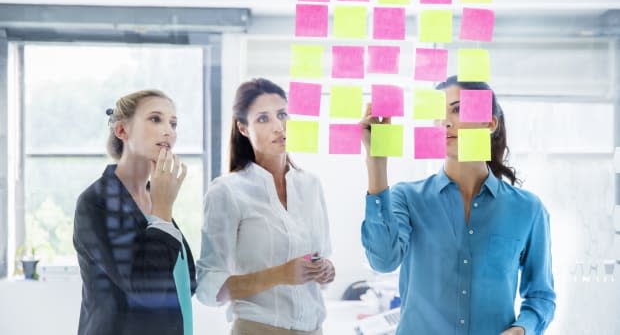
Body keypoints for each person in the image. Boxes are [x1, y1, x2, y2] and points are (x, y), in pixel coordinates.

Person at [361, 76, 556, 335]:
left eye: (457, 109)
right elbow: (383, 261)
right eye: (437, 114)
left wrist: (523, 329)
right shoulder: (407, 198)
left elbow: (541, 296)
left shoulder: (528, 210)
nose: (445, 122)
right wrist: (376, 163)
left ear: (489, 123)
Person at [196, 78, 334, 335]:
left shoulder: (311, 185)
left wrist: (325, 270)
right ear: (243, 128)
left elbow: (321, 256)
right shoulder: (226, 191)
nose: (278, 126)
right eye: (263, 118)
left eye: (282, 114)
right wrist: (279, 275)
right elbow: (207, 288)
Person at [73, 90, 196, 335]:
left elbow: (186, 282)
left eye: (173, 123)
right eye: (155, 119)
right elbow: (145, 287)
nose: (169, 131)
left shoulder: (156, 197)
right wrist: (163, 209)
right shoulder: (96, 202)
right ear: (121, 131)